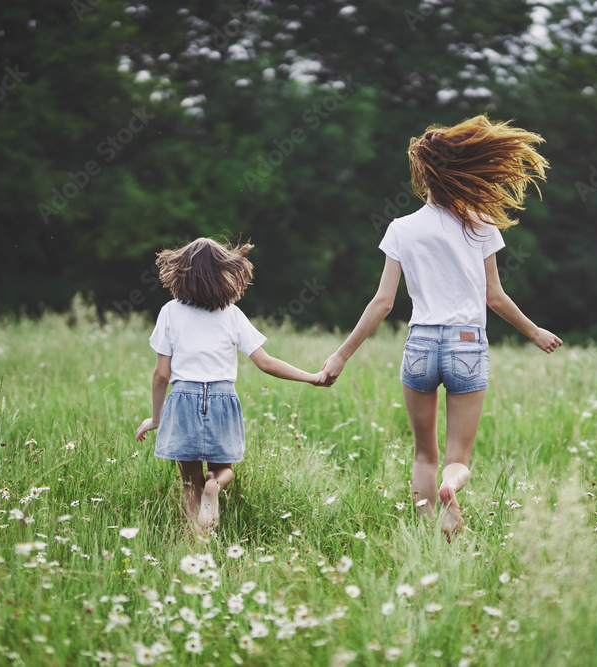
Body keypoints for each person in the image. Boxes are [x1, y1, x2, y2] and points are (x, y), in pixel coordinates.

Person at [318, 115, 563, 539]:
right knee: (457, 459)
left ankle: (427, 531)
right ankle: (452, 487)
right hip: (467, 343)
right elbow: (494, 297)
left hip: (420, 343)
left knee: (423, 455)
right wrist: (534, 331)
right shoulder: (480, 222)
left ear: (424, 176)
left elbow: (382, 302)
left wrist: (341, 355)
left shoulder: (401, 228)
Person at [136, 238, 322, 533]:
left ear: (181, 273)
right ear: (224, 274)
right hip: (222, 397)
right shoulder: (231, 314)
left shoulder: (170, 311)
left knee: (189, 483)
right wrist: (311, 376)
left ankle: (196, 541)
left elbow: (161, 375)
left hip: (183, 397)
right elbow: (265, 362)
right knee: (223, 470)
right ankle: (215, 485)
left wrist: (156, 418)